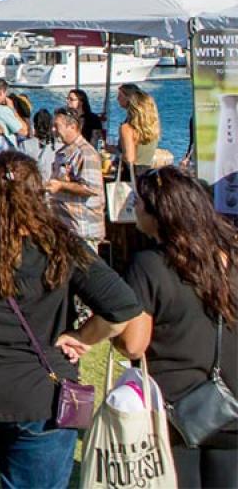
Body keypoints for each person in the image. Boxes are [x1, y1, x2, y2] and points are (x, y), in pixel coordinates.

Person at [0, 151, 140, 489]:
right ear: (39, 194)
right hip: (39, 393)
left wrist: (82, 335)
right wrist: (85, 335)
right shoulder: (60, 244)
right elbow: (122, 307)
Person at [115, 167, 238, 487]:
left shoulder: (150, 265)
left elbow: (133, 345)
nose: (134, 207)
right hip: (231, 403)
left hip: (174, 409)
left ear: (161, 213)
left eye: (139, 203)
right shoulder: (231, 257)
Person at [47, 107, 104, 250]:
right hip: (68, 229)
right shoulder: (64, 152)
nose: (53, 130)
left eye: (57, 126)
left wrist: (61, 186)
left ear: (72, 127)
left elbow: (91, 188)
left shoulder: (85, 153)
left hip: (82, 230)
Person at [117, 84, 161, 176]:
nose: (117, 99)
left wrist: (114, 151)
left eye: (120, 96)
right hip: (147, 172)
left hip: (130, 174)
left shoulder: (127, 128)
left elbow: (129, 158)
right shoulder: (152, 127)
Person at [0, 77, 27, 144]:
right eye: (5, 94)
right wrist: (12, 109)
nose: (6, 96)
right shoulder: (2, 110)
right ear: (0, 93)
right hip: (6, 151)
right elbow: (24, 131)